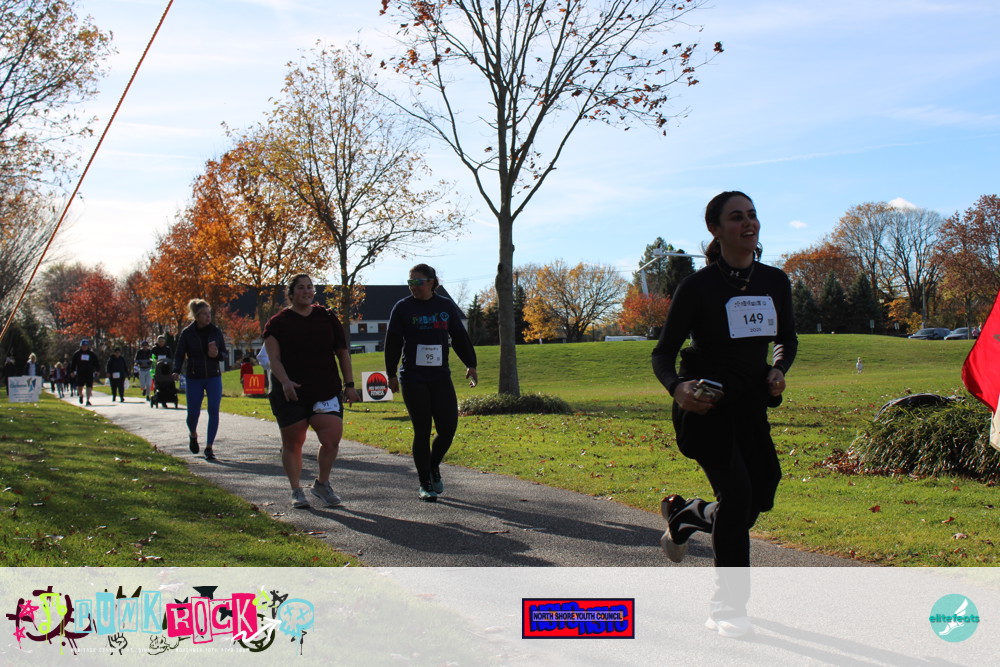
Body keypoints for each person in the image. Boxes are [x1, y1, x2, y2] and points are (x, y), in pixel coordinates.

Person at [651, 191, 797, 638]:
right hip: (706, 407)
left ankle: (689, 516)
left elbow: (786, 340)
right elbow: (663, 353)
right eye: (736, 217)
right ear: (715, 229)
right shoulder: (698, 287)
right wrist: (678, 388)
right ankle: (727, 608)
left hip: (751, 405)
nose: (748, 223)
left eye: (752, 215)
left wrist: (778, 368)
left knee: (759, 496)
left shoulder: (774, 281)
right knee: (736, 497)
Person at [262, 274, 361, 509]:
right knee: (293, 442)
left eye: (310, 287)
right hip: (291, 392)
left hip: (325, 389)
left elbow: (342, 352)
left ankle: (322, 484)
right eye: (300, 288)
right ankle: (296, 490)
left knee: (331, 439)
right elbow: (273, 358)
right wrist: (285, 382)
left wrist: (349, 385)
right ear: (291, 293)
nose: (306, 291)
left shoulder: (326, 317)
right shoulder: (277, 323)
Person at [384, 264, 479, 501]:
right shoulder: (403, 307)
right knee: (422, 429)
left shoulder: (445, 305)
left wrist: (471, 363)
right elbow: (393, 342)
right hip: (413, 377)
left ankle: (432, 465)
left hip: (440, 376)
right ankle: (425, 483)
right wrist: (391, 374)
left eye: (418, 282)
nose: (413, 287)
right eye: (410, 282)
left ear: (431, 282)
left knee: (448, 429)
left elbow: (459, 336)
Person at [172, 299, 227, 460]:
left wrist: (217, 354)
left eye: (209, 313)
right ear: (196, 316)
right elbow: (179, 354)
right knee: (193, 413)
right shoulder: (187, 333)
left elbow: (224, 353)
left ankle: (209, 447)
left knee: (213, 410)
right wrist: (176, 370)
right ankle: (193, 434)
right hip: (194, 377)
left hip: (213, 376)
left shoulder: (215, 331)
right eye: (204, 314)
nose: (208, 316)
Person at [69, 339, 100, 406]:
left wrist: (97, 371)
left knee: (89, 386)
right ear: (81, 346)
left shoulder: (92, 354)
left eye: (86, 345)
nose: (84, 347)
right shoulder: (77, 354)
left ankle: (88, 400)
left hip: (89, 372)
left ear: (88, 346)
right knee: (79, 386)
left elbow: (96, 363)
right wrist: (72, 371)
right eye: (83, 345)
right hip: (80, 372)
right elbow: (73, 364)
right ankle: (81, 395)